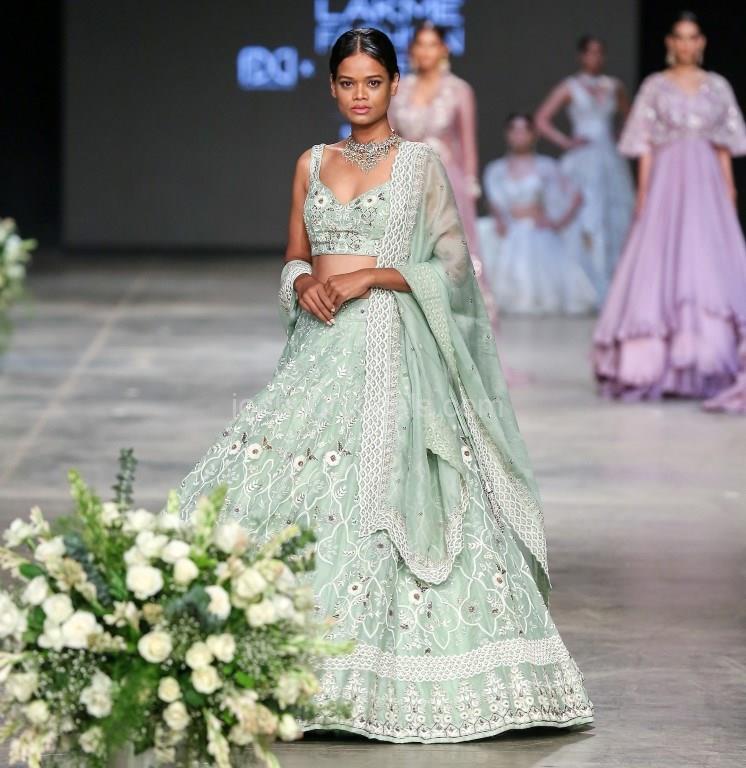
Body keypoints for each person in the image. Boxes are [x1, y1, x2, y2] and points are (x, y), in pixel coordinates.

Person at [177, 28, 593, 742]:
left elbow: (456, 267)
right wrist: (303, 283)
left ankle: (393, 676)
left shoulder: (421, 164)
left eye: (373, 82)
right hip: (319, 348)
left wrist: (371, 275)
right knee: (290, 488)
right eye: (348, 83)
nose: (360, 95)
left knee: (390, 493)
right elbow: (295, 255)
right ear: (332, 87)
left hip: (393, 347)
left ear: (394, 85)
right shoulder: (311, 162)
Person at [593, 12, 746, 412]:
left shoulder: (717, 86)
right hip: (665, 181)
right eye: (680, 37)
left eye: (693, 37)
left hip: (707, 183)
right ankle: (654, 364)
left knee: (706, 260)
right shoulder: (655, 86)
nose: (686, 44)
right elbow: (644, 143)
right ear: (670, 43)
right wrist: (644, 195)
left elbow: (724, 144)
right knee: (661, 257)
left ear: (702, 43)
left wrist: (729, 190)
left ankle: (706, 358)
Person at [388, 21, 499, 332]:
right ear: (411, 49)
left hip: (447, 182)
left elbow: (468, 144)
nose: (426, 51)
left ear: (444, 49)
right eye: (420, 45)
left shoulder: (459, 90)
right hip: (407, 179)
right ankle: (412, 319)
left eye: (432, 44)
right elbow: (391, 137)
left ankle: (463, 321)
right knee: (409, 248)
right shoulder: (400, 89)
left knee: (454, 250)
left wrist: (470, 187)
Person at [535, 35, 635, 298]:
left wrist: (620, 137)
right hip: (582, 160)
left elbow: (631, 118)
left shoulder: (614, 86)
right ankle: (585, 286)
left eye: (600, 52)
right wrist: (566, 142)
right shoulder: (570, 86)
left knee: (613, 216)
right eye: (590, 52)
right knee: (583, 215)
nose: (595, 57)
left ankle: (614, 285)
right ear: (581, 56)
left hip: (610, 159)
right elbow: (541, 119)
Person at [479, 114, 597, 315]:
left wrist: (558, 222)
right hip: (510, 230)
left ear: (534, 134)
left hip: (537, 231)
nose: (519, 135)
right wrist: (499, 218)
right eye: (514, 130)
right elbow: (494, 201)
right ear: (507, 134)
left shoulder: (546, 166)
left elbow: (574, 196)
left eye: (524, 130)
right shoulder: (496, 169)